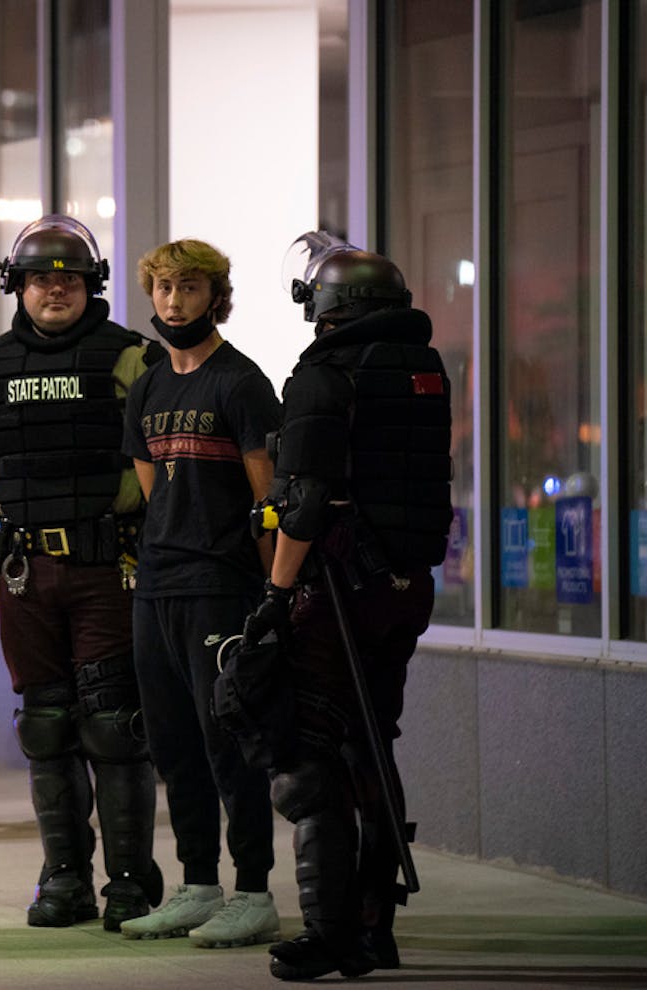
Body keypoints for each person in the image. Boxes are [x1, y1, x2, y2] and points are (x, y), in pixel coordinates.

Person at [0, 214, 163, 931]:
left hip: (110, 565)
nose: (54, 289)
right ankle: (64, 876)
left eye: (68, 278)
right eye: (40, 278)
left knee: (114, 726)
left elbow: (165, 468)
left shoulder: (132, 357)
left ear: (92, 284)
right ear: (17, 286)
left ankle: (128, 880)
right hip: (24, 571)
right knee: (46, 723)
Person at [244, 232, 452, 980]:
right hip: (404, 590)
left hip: (336, 591)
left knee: (310, 754)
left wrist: (274, 594)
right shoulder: (424, 369)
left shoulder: (325, 375)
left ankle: (332, 935)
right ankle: (374, 925)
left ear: (322, 306)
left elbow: (303, 503)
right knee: (371, 742)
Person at [117, 239, 283, 947]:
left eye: (188, 289)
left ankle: (253, 892)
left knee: (229, 746)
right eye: (163, 290)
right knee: (173, 746)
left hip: (223, 587)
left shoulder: (241, 381)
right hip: (157, 588)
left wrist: (276, 594)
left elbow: (268, 499)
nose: (173, 302)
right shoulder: (152, 385)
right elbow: (151, 484)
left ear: (216, 297)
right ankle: (197, 884)